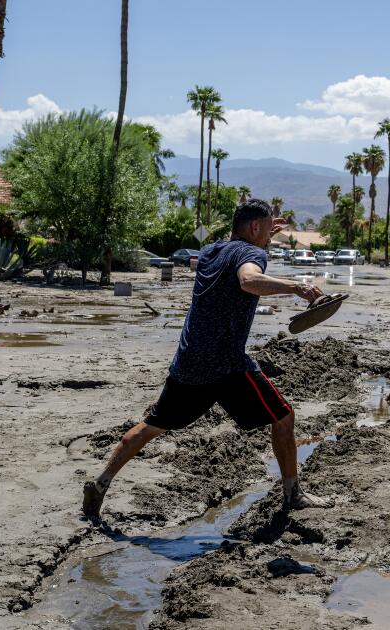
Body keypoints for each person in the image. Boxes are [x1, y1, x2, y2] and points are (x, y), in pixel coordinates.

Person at [83, 198, 330, 519]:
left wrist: (266, 231)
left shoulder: (213, 250)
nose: (271, 235)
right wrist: (296, 287)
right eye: (268, 229)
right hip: (226, 364)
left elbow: (238, 258)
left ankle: (100, 484)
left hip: (189, 360)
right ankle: (293, 494)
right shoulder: (252, 254)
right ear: (255, 227)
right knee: (283, 418)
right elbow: (249, 280)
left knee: (152, 425)